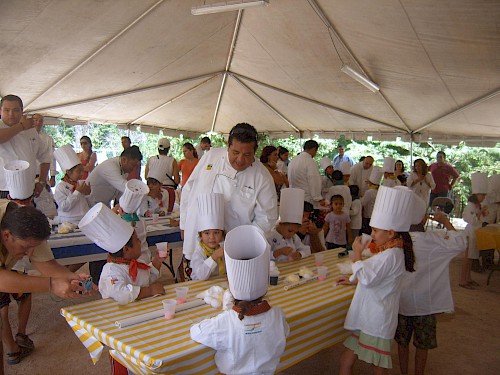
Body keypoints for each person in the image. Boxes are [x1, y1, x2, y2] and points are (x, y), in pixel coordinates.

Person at [337, 186, 425, 375]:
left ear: (391, 233)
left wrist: (358, 254)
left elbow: (369, 278)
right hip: (370, 317)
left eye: (376, 231)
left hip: (376, 320)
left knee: (378, 365)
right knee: (346, 360)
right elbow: (376, 277)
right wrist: (354, 279)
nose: (373, 235)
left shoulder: (391, 255)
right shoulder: (392, 252)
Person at [0, 201, 92, 373]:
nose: (29, 254)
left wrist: (71, 276)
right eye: (25, 248)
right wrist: (51, 284)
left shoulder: (28, 226)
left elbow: (46, 264)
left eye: (33, 247)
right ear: (6, 236)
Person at [190, 225, 289, 375]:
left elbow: (196, 332)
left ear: (230, 288)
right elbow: (285, 332)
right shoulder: (277, 315)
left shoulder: (225, 321)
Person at [180, 123, 278, 264]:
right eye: (235, 153)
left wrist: (240, 244)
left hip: (231, 249)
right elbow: (189, 189)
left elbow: (266, 219)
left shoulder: (262, 176)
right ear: (228, 146)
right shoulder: (211, 156)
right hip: (195, 238)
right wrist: (183, 224)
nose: (240, 160)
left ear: (255, 152)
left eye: (247, 154)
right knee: (195, 281)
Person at [395, 211, 466, 375]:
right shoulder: (435, 241)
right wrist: (446, 222)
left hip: (402, 302)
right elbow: (460, 244)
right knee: (422, 345)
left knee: (402, 342)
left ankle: (403, 372)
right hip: (425, 304)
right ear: (425, 219)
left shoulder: (396, 241)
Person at [79, 203, 165, 305]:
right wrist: (149, 291)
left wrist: (157, 261)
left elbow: (145, 279)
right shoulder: (111, 271)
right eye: (137, 240)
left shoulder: (135, 263)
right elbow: (121, 294)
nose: (140, 242)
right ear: (126, 249)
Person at [0, 95, 52, 200]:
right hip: (3, 189)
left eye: (15, 110)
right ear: (0, 111)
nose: (11, 114)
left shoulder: (31, 131)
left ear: (21, 111)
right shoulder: (22, 126)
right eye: (6, 110)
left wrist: (41, 181)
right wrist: (21, 126)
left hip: (27, 189)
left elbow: (45, 156)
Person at [459, 172, 489, 289]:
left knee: (472, 257)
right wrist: (480, 214)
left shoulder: (478, 205)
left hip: (475, 232)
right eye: (482, 195)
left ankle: (468, 277)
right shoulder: (471, 205)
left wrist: (483, 213)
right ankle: (462, 279)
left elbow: (478, 219)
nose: (484, 197)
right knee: (467, 258)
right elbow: (468, 218)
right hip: (470, 233)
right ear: (477, 194)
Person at [267, 188, 311, 261]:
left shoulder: (294, 238)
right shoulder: (270, 236)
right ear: (280, 224)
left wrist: (300, 254)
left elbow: (307, 249)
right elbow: (262, 257)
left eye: (295, 232)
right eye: (290, 231)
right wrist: (278, 252)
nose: (292, 234)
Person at [190, 193, 226, 280]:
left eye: (216, 232)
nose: (212, 237)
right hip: (200, 287)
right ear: (201, 236)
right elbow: (201, 276)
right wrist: (214, 256)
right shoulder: (199, 252)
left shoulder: (223, 248)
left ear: (222, 235)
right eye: (207, 233)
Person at [53, 145, 91, 225]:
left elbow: (88, 203)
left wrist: (88, 194)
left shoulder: (81, 183)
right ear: (68, 172)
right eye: (78, 171)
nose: (81, 174)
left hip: (84, 219)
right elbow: (64, 207)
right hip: (68, 222)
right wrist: (77, 192)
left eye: (82, 171)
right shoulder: (60, 187)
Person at [288, 140, 325, 208]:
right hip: (307, 198)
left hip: (294, 196)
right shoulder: (309, 161)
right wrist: (318, 197)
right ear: (314, 149)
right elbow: (314, 180)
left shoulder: (293, 160)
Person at [144, 138, 180, 204]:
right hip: (168, 190)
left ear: (158, 148)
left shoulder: (151, 159)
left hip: (152, 191)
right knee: (167, 213)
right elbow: (177, 180)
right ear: (168, 149)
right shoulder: (172, 161)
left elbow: (146, 177)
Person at [361, 167, 383, 235]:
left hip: (368, 216)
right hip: (377, 216)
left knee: (368, 233)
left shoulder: (369, 192)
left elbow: (362, 203)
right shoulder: (380, 191)